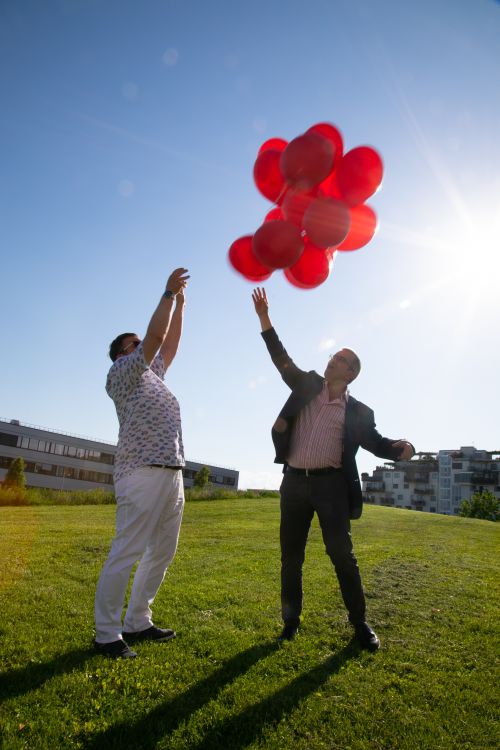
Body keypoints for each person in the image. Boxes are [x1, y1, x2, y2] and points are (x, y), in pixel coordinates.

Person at [252, 287, 414, 651]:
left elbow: (378, 442)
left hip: (330, 489)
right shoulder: (307, 383)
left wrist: (404, 449)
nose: (331, 360)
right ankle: (290, 622)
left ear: (351, 372)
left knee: (342, 556)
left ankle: (360, 624)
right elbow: (281, 359)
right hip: (293, 484)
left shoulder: (358, 411)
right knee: (290, 557)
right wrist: (265, 319)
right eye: (332, 355)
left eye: (339, 359)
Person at [94, 267, 189, 659]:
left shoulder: (153, 373)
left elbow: (169, 345)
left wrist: (181, 305)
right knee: (127, 551)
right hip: (141, 473)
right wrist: (168, 293)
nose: (143, 347)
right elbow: (156, 338)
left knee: (161, 552)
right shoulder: (121, 374)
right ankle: (106, 634)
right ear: (122, 353)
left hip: (172, 474)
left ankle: (138, 620)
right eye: (134, 344)